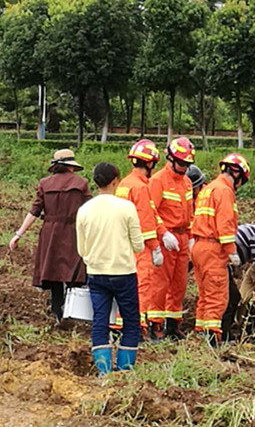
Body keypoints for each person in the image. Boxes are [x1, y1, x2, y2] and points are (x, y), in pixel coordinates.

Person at [76, 163, 144, 375]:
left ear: (95, 181)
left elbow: (81, 249)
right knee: (131, 322)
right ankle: (124, 369)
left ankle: (104, 371)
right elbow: (139, 245)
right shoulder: (126, 208)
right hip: (124, 273)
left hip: (96, 273)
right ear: (116, 181)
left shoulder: (84, 210)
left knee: (100, 321)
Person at [10, 149, 92, 323]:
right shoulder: (81, 183)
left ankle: (57, 311)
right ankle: (73, 310)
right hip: (73, 231)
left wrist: (19, 234)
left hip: (51, 233)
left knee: (54, 272)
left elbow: (35, 211)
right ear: (71, 166)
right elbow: (90, 209)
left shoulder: (45, 183)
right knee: (74, 270)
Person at [191, 153, 250, 344]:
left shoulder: (208, 189)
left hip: (199, 247)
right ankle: (212, 339)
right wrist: (232, 252)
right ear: (237, 174)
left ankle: (201, 333)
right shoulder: (224, 191)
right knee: (217, 296)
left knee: (205, 295)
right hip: (213, 249)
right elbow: (224, 225)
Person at [114, 140, 164, 339]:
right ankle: (137, 327)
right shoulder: (141, 187)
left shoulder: (124, 184)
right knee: (142, 286)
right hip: (139, 246)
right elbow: (145, 220)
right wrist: (155, 247)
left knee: (124, 286)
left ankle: (120, 324)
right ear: (150, 163)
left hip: (122, 243)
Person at [148, 137, 195, 340]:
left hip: (182, 238)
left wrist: (191, 237)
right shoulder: (158, 181)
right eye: (182, 163)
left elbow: (190, 213)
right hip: (166, 238)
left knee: (179, 284)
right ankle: (155, 324)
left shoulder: (187, 182)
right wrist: (163, 233)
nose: (184, 167)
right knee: (160, 283)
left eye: (187, 164)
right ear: (171, 159)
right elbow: (151, 211)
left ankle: (173, 325)